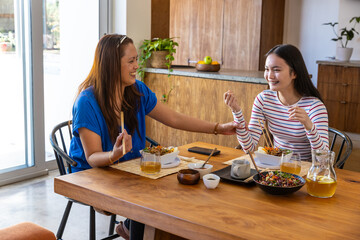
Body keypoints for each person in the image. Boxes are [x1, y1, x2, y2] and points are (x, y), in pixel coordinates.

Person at [69, 34, 239, 240]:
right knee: (150, 196)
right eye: (130, 61)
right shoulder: (86, 102)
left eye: (136, 59)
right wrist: (114, 154)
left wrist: (218, 128)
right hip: (93, 175)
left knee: (173, 189)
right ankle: (134, 229)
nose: (136, 66)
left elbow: (174, 118)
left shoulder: (137, 91)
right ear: (112, 65)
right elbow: (92, 157)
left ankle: (134, 229)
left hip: (128, 167)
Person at [224, 44, 329, 161]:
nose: (270, 76)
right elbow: (249, 147)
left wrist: (309, 126)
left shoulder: (314, 107)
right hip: (275, 169)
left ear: (294, 73)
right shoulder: (264, 100)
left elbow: (324, 159)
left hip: (304, 172)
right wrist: (237, 112)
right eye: (267, 69)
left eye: (276, 70)